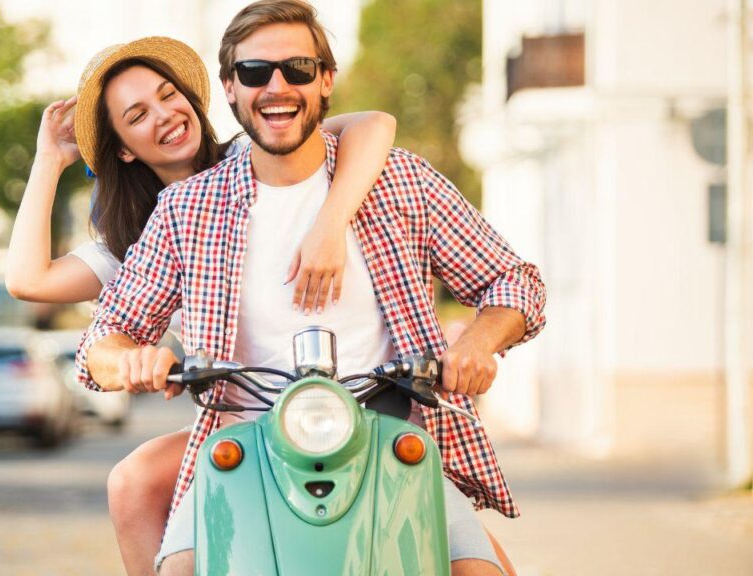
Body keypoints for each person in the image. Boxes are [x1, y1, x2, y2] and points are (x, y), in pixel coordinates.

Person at [75, 1, 546, 575]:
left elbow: (514, 280)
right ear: (230, 88)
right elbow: (103, 338)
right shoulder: (185, 208)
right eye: (254, 73)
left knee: (483, 574)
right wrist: (130, 359)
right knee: (177, 570)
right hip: (244, 454)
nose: (277, 87)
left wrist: (477, 341)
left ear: (325, 80)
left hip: (391, 445)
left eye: (297, 69)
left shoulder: (399, 180)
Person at [5, 36, 399, 576]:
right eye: (139, 114)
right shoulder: (137, 242)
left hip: (344, 403)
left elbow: (374, 124)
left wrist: (330, 223)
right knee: (132, 481)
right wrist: (49, 160)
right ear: (123, 148)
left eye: (170, 95)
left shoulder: (257, 157)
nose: (166, 115)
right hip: (243, 417)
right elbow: (28, 280)